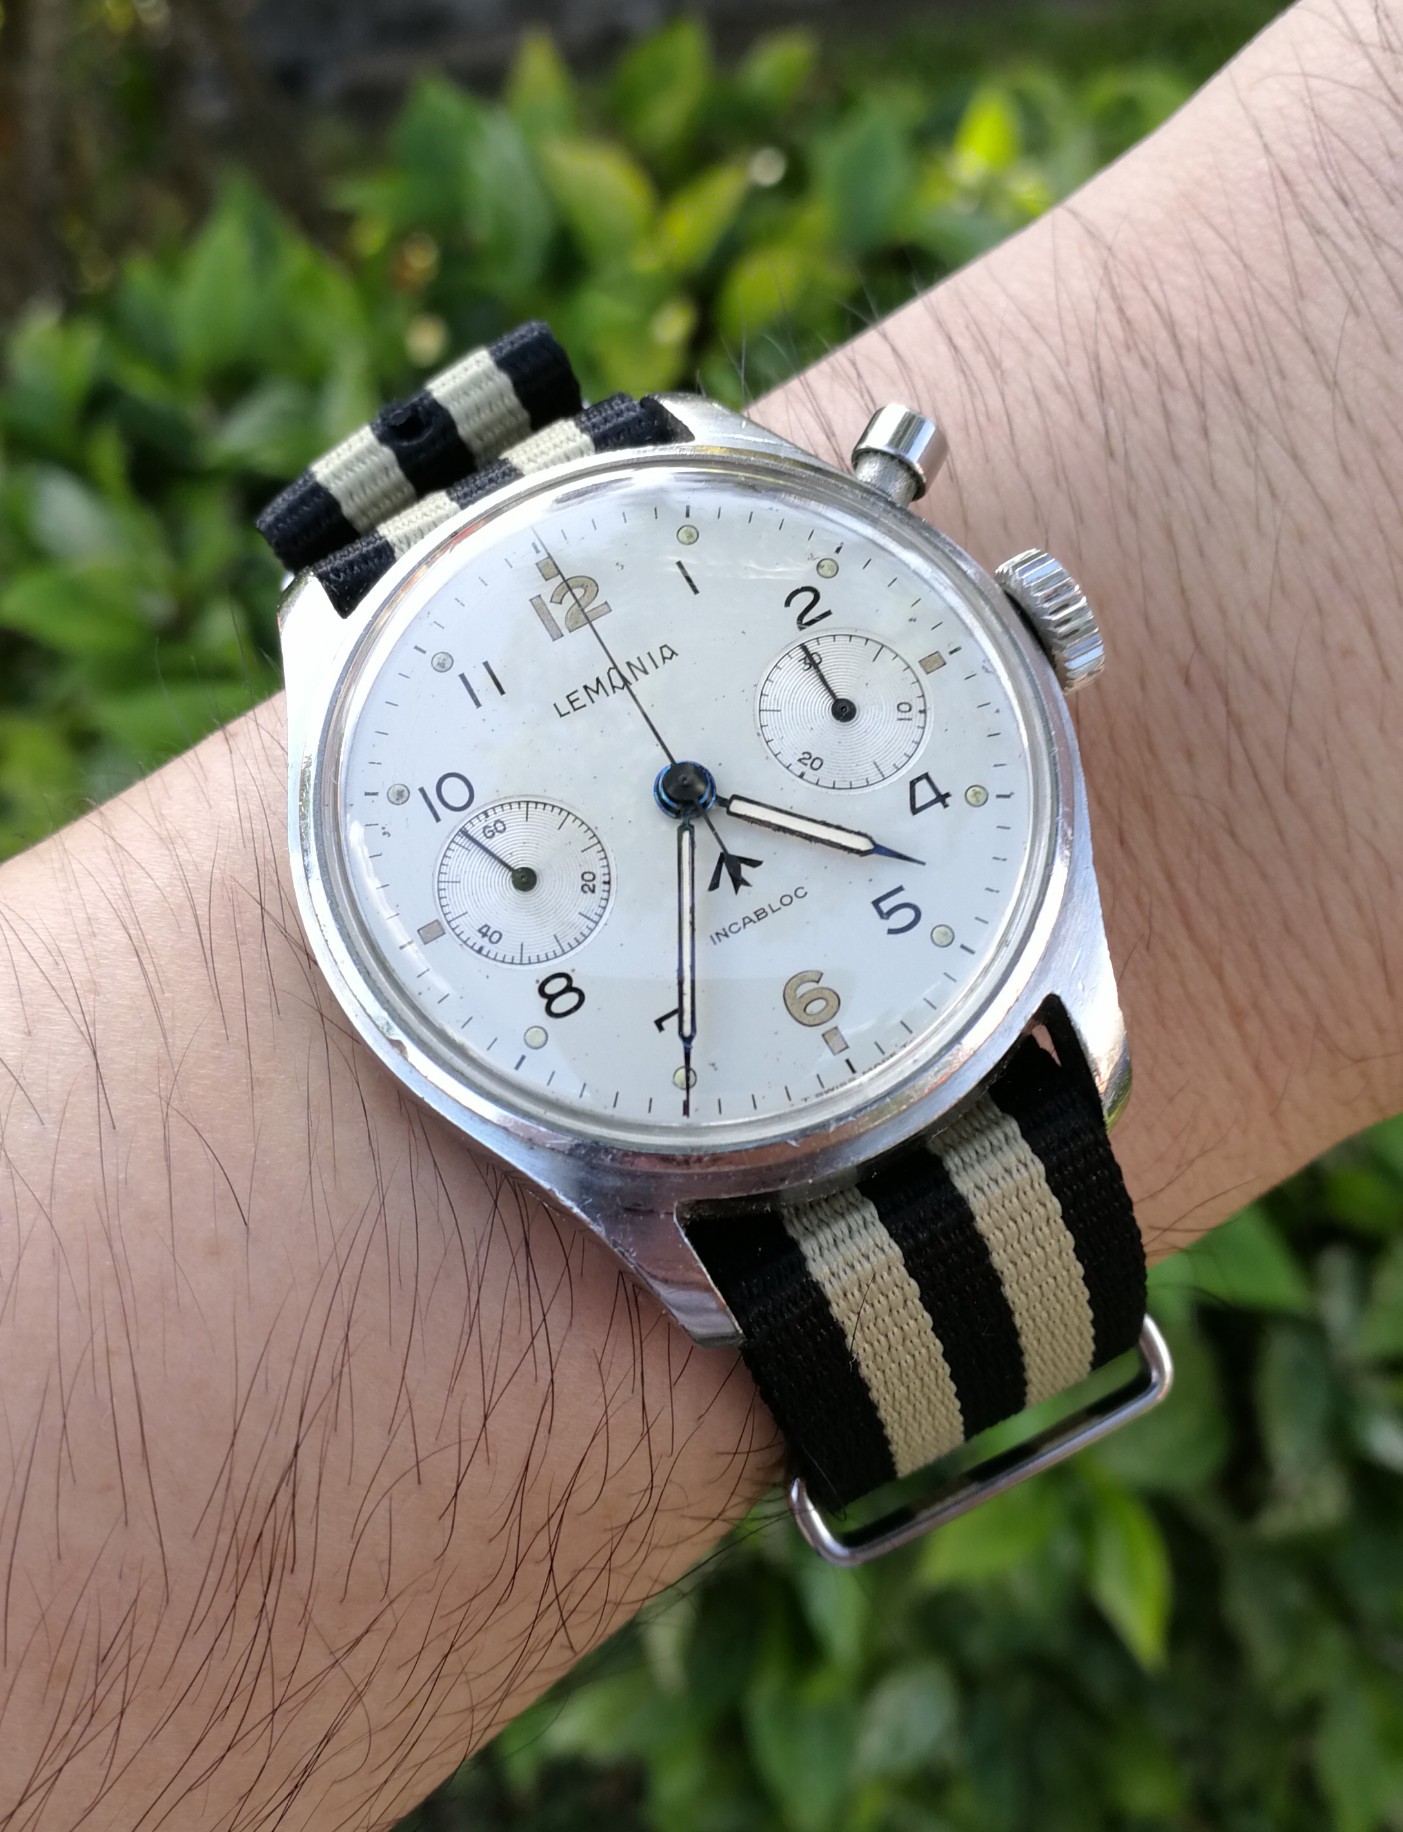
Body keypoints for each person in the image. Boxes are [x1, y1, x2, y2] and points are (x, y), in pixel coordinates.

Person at [1, 0, 1399, 1824]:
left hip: (958, 994)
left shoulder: (1031, 945)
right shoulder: (385, 773)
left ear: (1019, 618)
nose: (686, 793)